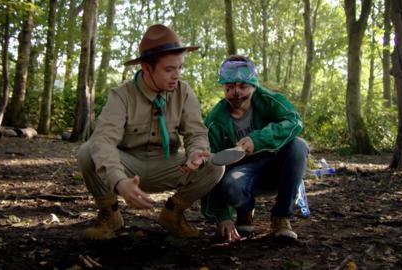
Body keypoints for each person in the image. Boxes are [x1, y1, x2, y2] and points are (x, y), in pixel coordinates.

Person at [77, 24, 224, 240]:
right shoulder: (121, 95)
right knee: (88, 151)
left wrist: (196, 152)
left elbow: (196, 133)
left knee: (215, 164)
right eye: (169, 69)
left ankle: (173, 214)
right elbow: (104, 140)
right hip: (128, 164)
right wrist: (119, 181)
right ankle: (110, 215)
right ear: (146, 68)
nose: (177, 75)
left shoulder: (183, 92)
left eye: (180, 68)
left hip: (168, 164)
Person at [201, 55, 309, 241]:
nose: (236, 93)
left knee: (299, 146)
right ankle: (244, 211)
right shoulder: (215, 120)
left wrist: (258, 139)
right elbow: (210, 167)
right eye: (229, 88)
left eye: (242, 87)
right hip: (241, 175)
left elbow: (294, 121)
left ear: (253, 85)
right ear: (223, 88)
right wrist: (222, 217)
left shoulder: (270, 101)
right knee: (230, 185)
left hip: (276, 169)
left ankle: (281, 217)